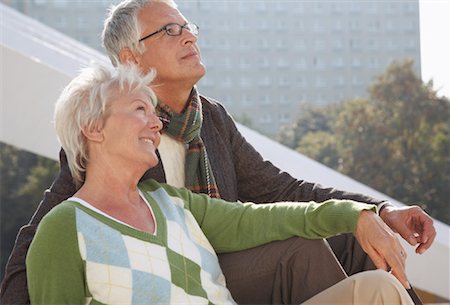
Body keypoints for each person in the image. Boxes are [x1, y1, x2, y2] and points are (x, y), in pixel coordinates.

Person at [0, 0, 435, 304]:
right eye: (170, 30)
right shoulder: (105, 137)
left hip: (231, 252)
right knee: (301, 251)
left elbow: (285, 189)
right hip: (184, 273)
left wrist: (378, 212)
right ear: (131, 59)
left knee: (358, 236)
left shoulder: (212, 120)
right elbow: (39, 240)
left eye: (189, 27)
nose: (189, 36)